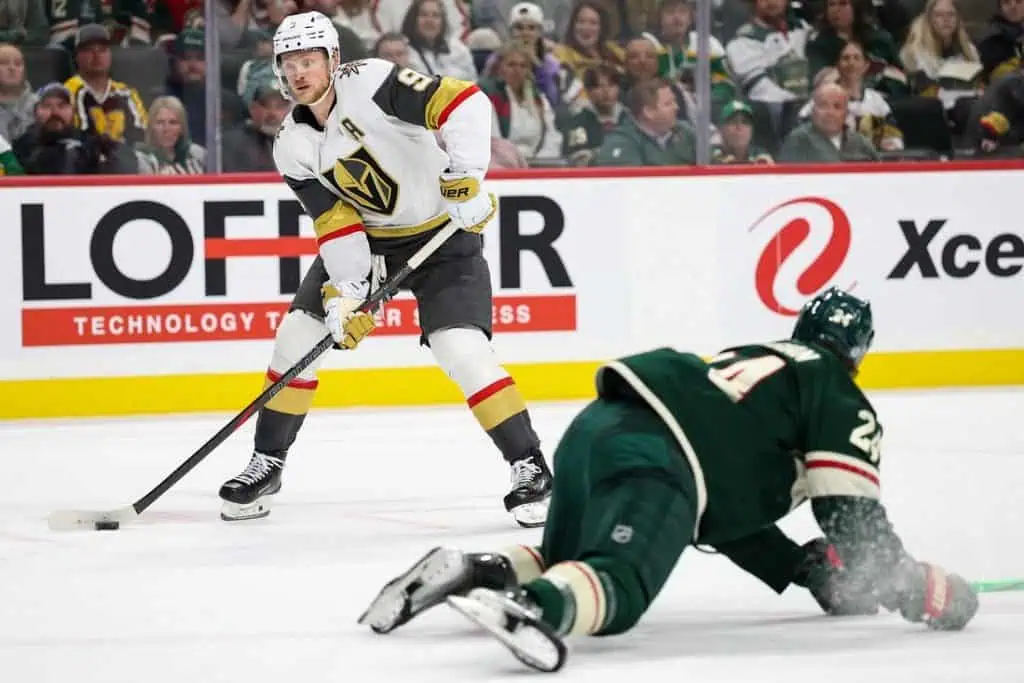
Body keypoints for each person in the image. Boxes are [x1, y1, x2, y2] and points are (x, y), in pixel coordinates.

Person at [358, 287, 980, 672]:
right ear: (859, 352)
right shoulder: (837, 393)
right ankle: (529, 606)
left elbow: (724, 515)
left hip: (597, 430)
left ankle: (473, 569)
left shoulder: (758, 364)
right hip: (660, 460)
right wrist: (914, 585)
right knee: (618, 586)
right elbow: (849, 513)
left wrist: (799, 568)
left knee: (565, 556)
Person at [217, 11, 553, 529]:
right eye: (289, 64)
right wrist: (347, 295)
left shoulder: (371, 81)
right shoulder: (291, 144)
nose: (299, 73)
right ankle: (268, 463)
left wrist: (464, 177)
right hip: (373, 245)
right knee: (296, 336)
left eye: (309, 61)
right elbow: (335, 223)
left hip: (445, 237)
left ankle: (529, 465)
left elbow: (465, 103)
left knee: (461, 349)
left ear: (332, 60)